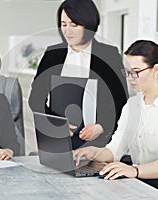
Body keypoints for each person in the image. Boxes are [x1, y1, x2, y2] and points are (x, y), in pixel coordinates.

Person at [74, 40, 158, 193]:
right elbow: (115, 150)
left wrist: (134, 170)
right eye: (127, 72)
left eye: (136, 72)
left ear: (155, 70)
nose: (130, 78)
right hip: (140, 178)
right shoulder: (132, 105)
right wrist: (93, 152)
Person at [28, 0, 128, 149]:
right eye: (63, 24)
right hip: (58, 139)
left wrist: (102, 126)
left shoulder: (109, 55)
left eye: (74, 25)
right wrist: (55, 125)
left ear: (89, 24)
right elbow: (35, 98)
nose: (67, 31)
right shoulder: (53, 54)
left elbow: (120, 100)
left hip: (97, 142)